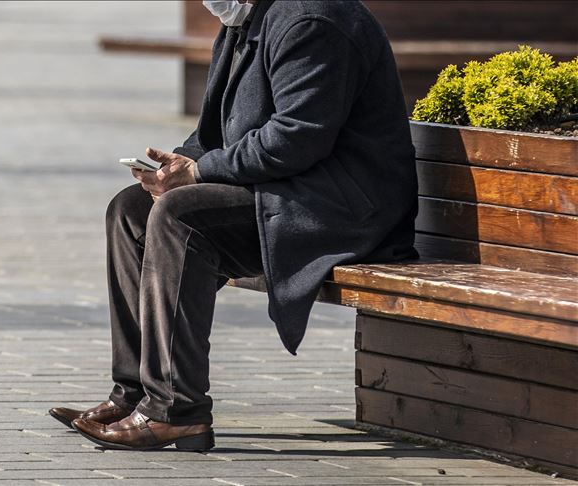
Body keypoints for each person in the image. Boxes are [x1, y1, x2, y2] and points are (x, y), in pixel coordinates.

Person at [49, 0, 419, 451]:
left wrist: (198, 176)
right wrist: (176, 168)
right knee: (132, 209)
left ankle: (176, 411)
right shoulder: (248, 19)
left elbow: (296, 138)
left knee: (180, 215)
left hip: (340, 209)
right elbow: (215, 134)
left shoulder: (312, 21)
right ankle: (135, 393)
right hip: (288, 190)